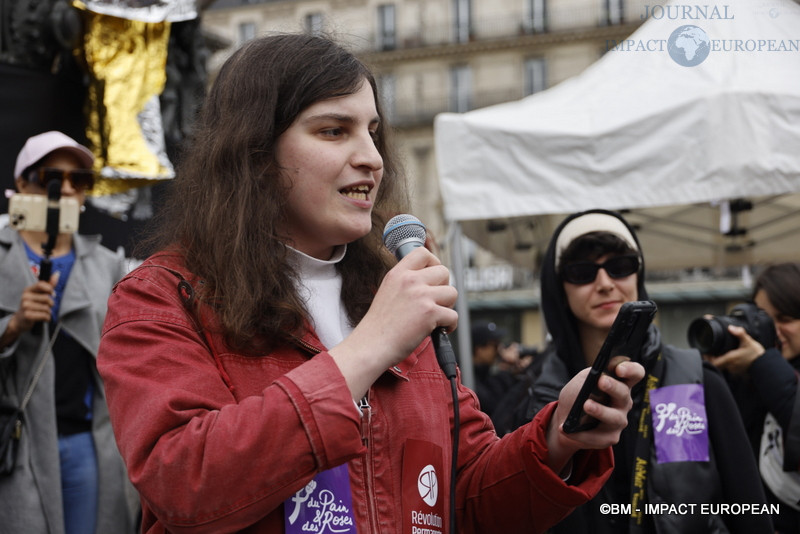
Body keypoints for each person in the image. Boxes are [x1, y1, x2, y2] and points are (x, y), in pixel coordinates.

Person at [95, 34, 645, 534]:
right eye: (334, 130)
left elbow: (467, 499)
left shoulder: (396, 290)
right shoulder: (162, 296)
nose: (372, 159)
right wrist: (371, 345)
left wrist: (557, 440)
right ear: (256, 154)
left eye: (374, 132)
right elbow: (184, 484)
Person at [515, 209, 772, 533]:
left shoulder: (692, 381)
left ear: (639, 275)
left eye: (621, 266)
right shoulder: (534, 398)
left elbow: (749, 512)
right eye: (582, 272)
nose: (605, 283)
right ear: (558, 290)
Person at [0, 131, 137, 533]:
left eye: (81, 180)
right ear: (23, 183)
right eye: (53, 178)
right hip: (17, 435)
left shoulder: (107, 264)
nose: (69, 190)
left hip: (86, 440)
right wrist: (13, 326)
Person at [709, 262, 800, 532]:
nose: (774, 331)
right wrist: (717, 370)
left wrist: (762, 363)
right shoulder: (749, 373)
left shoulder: (763, 366)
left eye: (784, 319)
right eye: (764, 320)